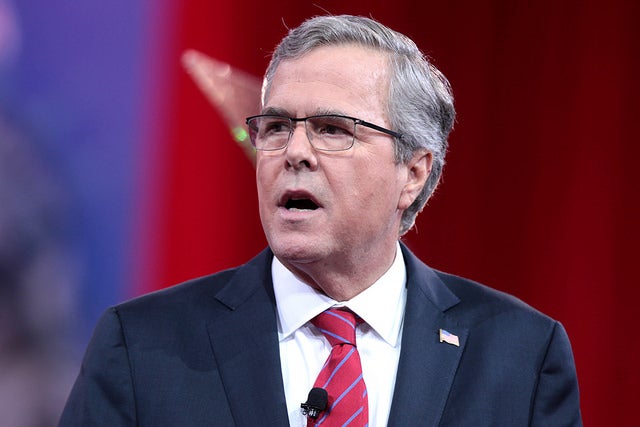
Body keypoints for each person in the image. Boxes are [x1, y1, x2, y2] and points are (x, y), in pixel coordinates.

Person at [59, 15, 581, 426]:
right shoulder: (141, 346)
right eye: (276, 126)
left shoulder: (521, 356)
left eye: (333, 129)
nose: (295, 152)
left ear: (413, 173)